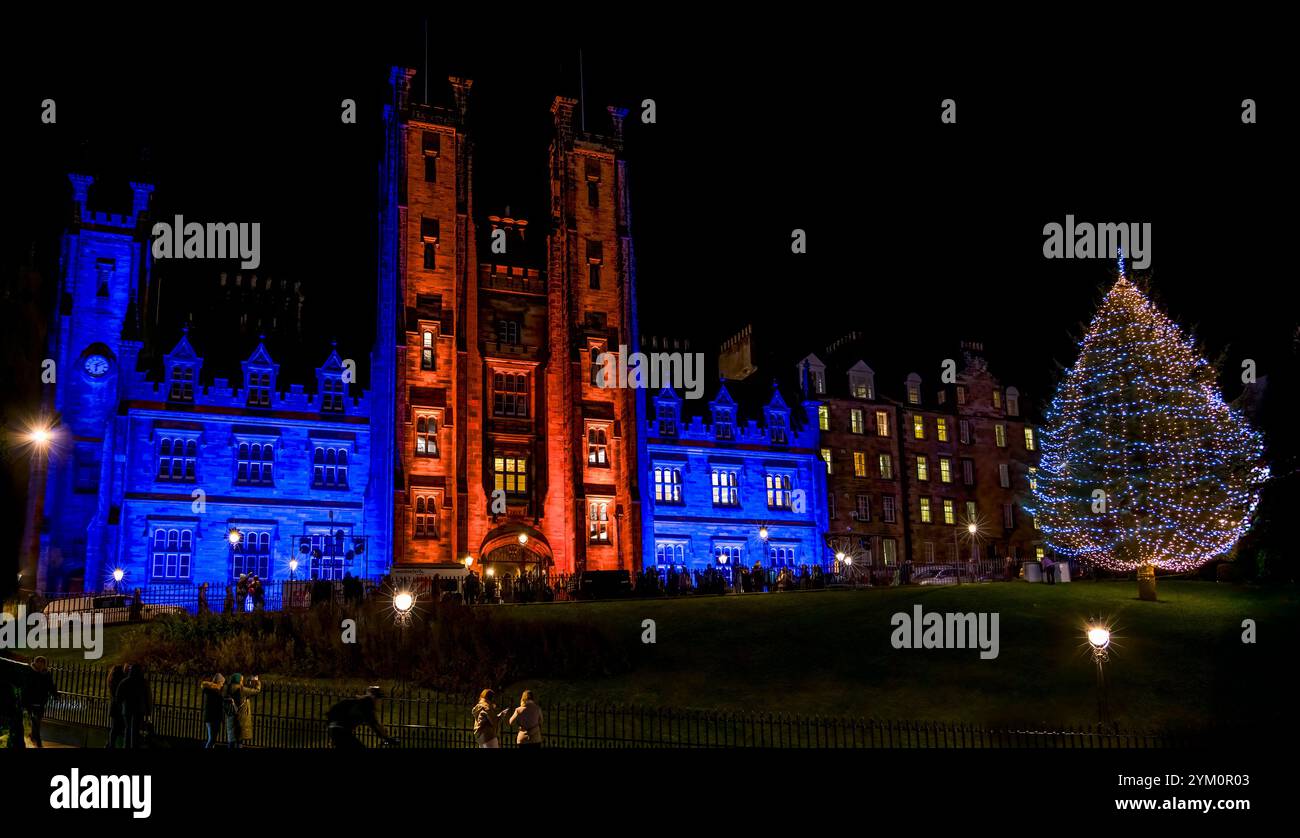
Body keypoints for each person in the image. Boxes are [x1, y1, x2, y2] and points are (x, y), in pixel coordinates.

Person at [326, 686, 397, 749]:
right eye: (379, 698)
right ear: (375, 697)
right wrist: (387, 738)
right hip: (341, 731)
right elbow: (374, 725)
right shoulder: (366, 705)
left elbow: (332, 712)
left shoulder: (357, 702)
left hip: (335, 729)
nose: (379, 702)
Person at [22, 656, 59, 748]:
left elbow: (51, 685)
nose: (41, 665)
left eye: (43, 663)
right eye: (39, 662)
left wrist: (55, 695)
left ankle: (33, 736)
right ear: (36, 662)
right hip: (30, 701)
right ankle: (38, 742)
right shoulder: (30, 672)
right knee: (34, 722)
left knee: (37, 722)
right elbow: (26, 686)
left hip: (41, 701)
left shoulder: (47, 674)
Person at [116, 663, 152, 749]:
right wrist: (148, 711)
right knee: (135, 731)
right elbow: (148, 697)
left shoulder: (124, 682)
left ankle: (126, 746)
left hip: (127, 709)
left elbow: (118, 697)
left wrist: (121, 706)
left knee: (128, 729)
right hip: (139, 709)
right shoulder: (143, 682)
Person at [222, 673, 261, 748]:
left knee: (231, 741)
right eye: (241, 680)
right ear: (238, 680)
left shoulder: (227, 689)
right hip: (240, 719)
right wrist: (256, 681)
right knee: (239, 741)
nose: (242, 682)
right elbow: (256, 690)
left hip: (230, 718)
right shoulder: (241, 689)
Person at [200, 673, 226, 748]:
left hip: (212, 718)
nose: (222, 685)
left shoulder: (212, 691)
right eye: (222, 683)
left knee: (212, 739)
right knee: (211, 739)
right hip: (213, 718)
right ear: (219, 682)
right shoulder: (214, 692)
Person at [105, 664, 127, 748]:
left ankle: (110, 744)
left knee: (114, 728)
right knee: (117, 728)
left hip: (114, 707)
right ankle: (111, 744)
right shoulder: (120, 681)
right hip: (119, 707)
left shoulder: (111, 679)